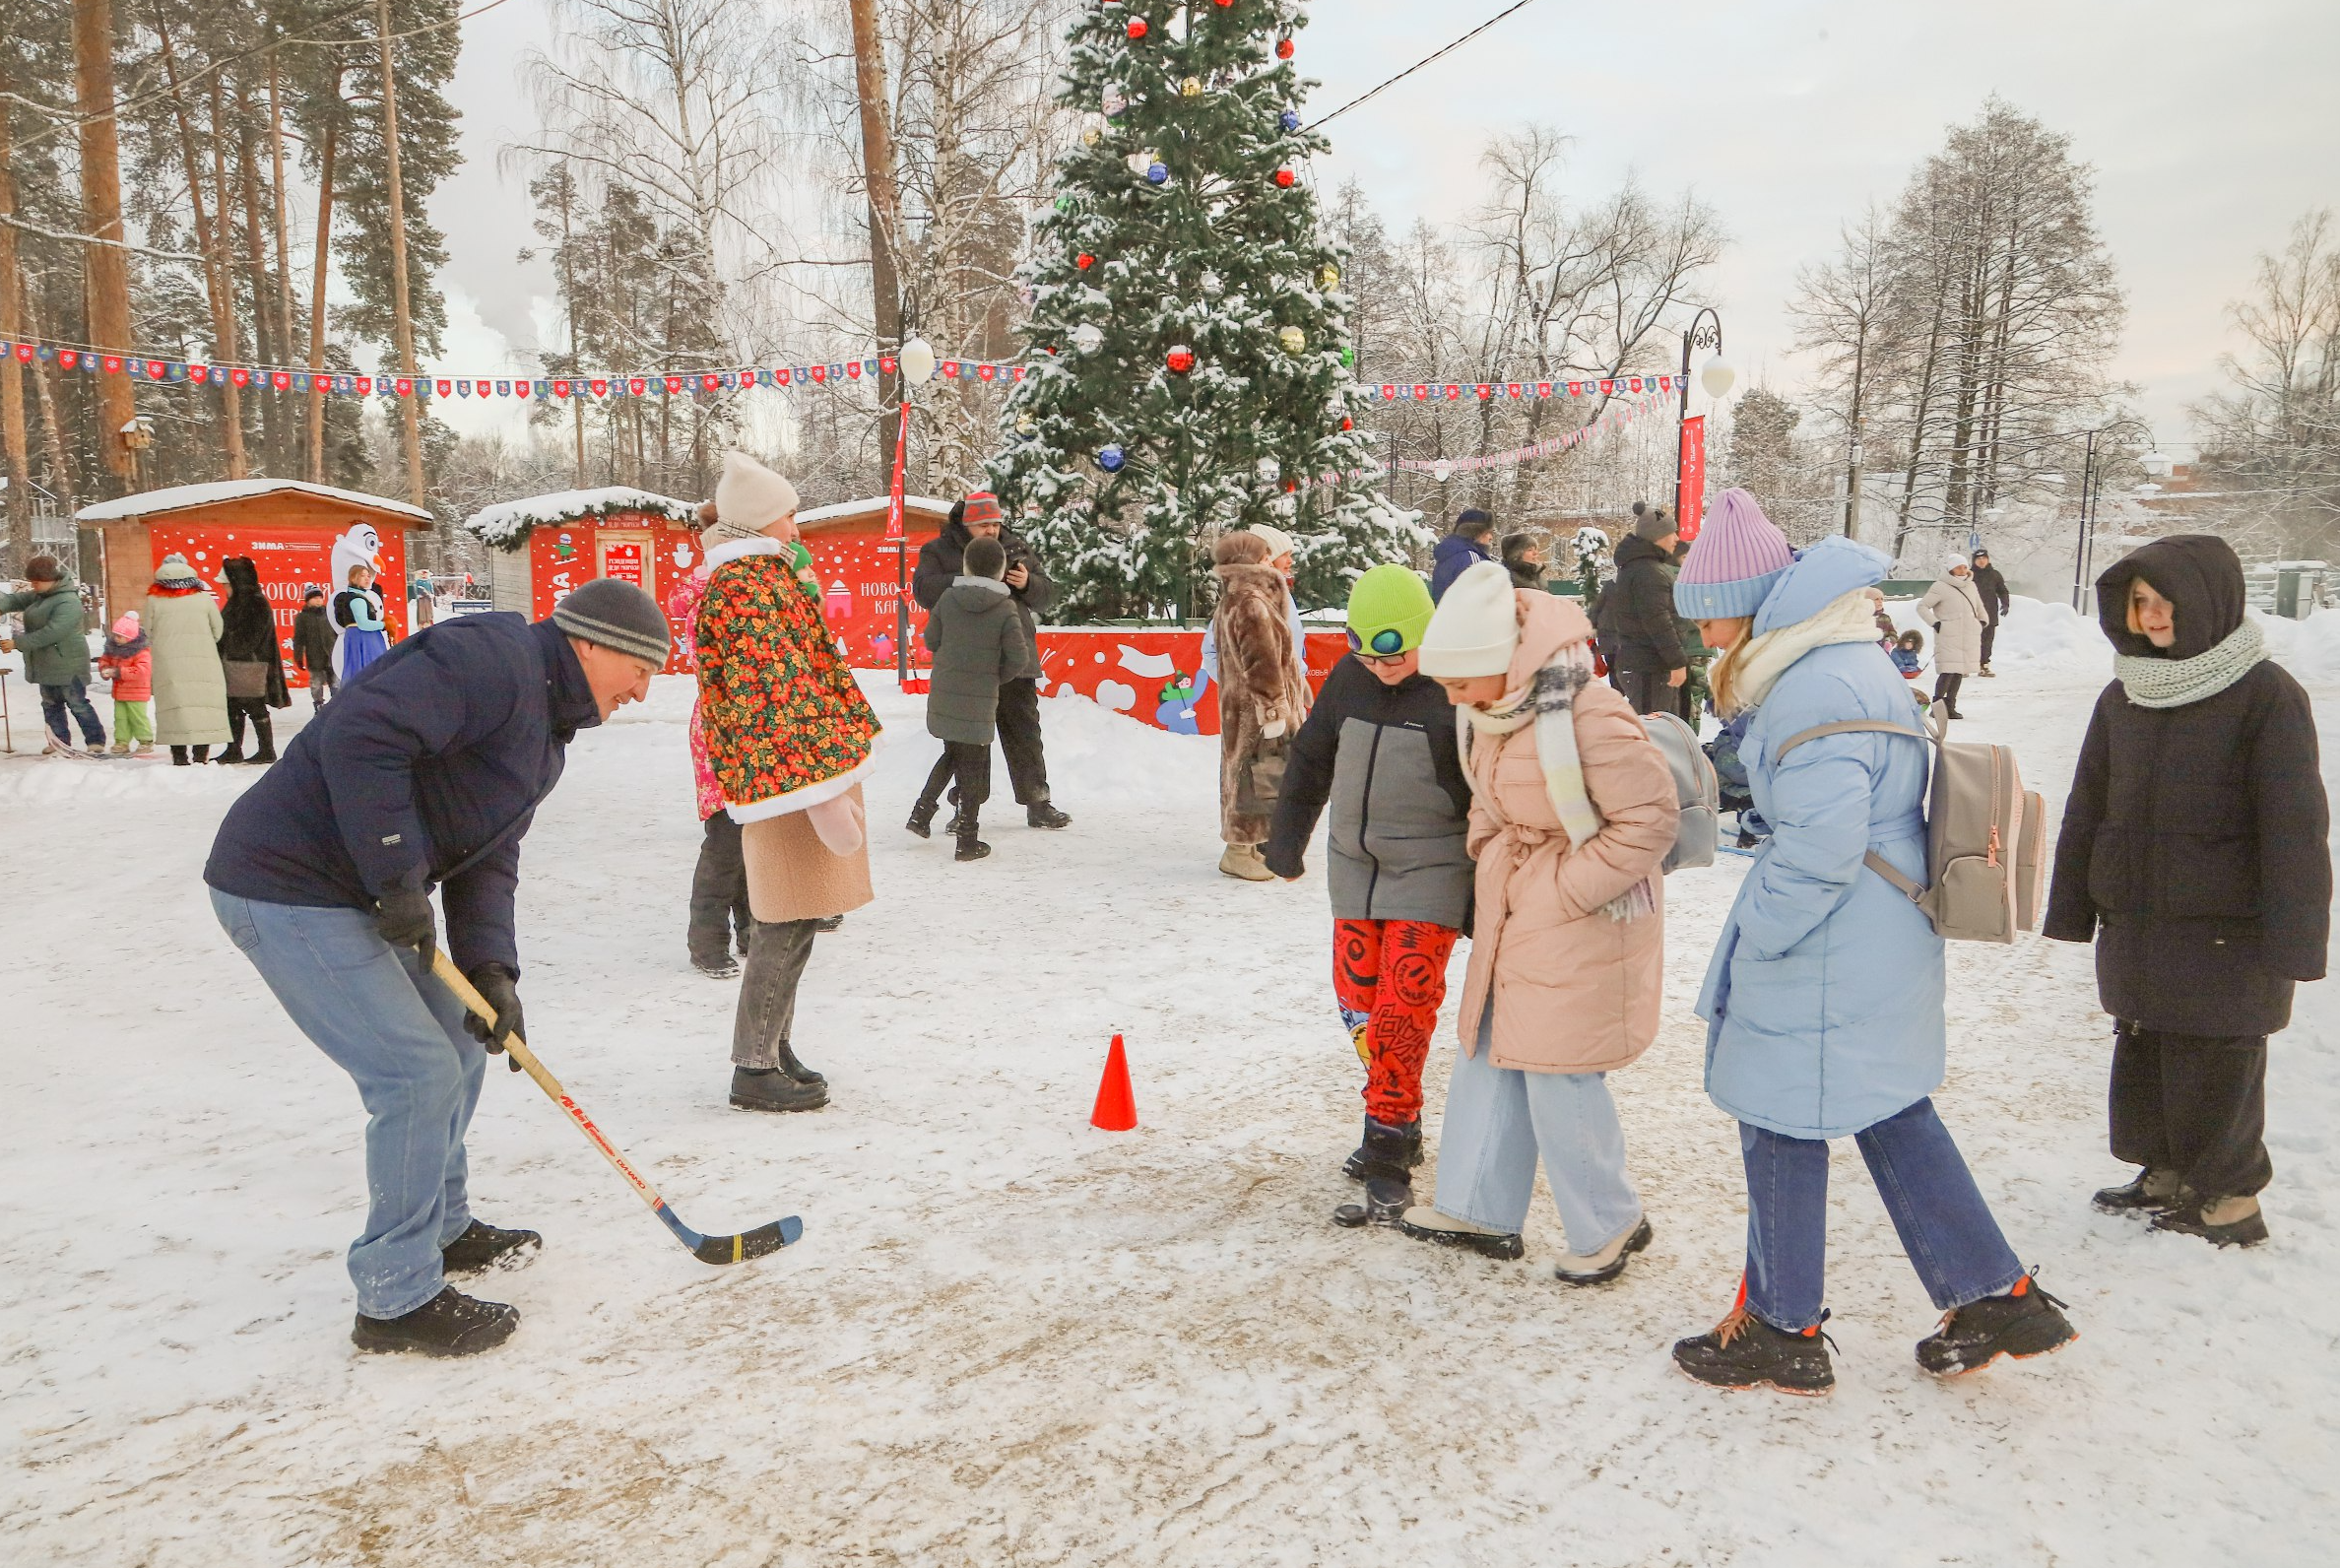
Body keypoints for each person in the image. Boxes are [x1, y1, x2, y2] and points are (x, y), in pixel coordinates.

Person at [1665, 492, 2074, 1396]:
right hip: (1873, 935)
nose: (1702, 638)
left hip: (1829, 946)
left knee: (1779, 1118)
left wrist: (1758, 939)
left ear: (1757, 599)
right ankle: (1996, 1293)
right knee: (1888, 1109)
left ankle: (1782, 1326)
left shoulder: (1815, 680)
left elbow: (1818, 850)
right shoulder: (1837, 659)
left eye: (1710, 616)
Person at [206, 575, 671, 1356]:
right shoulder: (492, 657)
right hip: (284, 885)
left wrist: (493, 968)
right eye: (640, 669)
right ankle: (393, 1296)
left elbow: (488, 856)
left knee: (461, 1037)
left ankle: (443, 1228)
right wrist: (394, 874)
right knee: (414, 1074)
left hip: (359, 890)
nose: (645, 691)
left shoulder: (545, 738)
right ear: (592, 645)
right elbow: (362, 736)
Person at [1393, 560, 1677, 1283]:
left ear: (1504, 664)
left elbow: (1650, 817)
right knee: (1489, 1047)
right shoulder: (1489, 710)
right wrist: (1494, 855)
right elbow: (1488, 801)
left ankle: (1611, 1223)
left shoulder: (1589, 710)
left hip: (1584, 915)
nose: (1449, 696)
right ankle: (1477, 1206)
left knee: (1559, 1072)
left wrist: (1565, 889)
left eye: (1460, 681)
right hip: (1518, 902)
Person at [2046, 535, 2329, 1249]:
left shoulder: (2268, 696)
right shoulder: (2126, 692)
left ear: (2208, 600)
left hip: (2226, 928)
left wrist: (2296, 939)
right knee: (2146, 1042)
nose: (2153, 615)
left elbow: (2296, 829)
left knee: (2218, 1056)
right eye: (2139, 603)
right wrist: (2073, 906)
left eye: (2164, 600)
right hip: (2140, 918)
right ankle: (2167, 1172)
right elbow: (2089, 803)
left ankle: (2230, 1199)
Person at [1264, 564, 1470, 1200]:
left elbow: (1482, 799)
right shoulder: (1350, 680)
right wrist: (1286, 839)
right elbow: (1312, 757)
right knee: (1358, 1001)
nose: (1379, 662)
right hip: (1354, 869)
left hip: (1431, 870)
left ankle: (1384, 1141)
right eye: (1362, 644)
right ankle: (1399, 1111)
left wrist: (1485, 897)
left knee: (1402, 1006)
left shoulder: (1452, 689)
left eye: (1395, 647)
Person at [698, 451, 879, 1114]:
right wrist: (823, 789)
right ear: (757, 522)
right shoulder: (750, 587)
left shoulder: (761, 580)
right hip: (787, 776)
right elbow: (780, 692)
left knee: (799, 916)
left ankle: (775, 1045)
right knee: (782, 917)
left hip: (793, 770)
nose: (797, 529)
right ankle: (754, 1065)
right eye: (788, 515)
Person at [912, 492, 1070, 830]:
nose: (992, 531)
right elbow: (923, 589)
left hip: (1015, 658)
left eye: (996, 524)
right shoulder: (938, 551)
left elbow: (1048, 594)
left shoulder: (1016, 548)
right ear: (966, 523)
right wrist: (969, 581)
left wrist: (1028, 583)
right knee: (969, 741)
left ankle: (1037, 801)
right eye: (984, 524)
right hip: (968, 664)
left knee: (1025, 732)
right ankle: (965, 808)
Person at [910, 535, 1035, 862]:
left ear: (965, 567)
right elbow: (1018, 658)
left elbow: (931, 639)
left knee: (952, 753)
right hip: (981, 698)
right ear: (1000, 572)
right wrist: (996, 677)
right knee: (974, 765)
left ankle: (922, 812)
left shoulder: (948, 599)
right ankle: (967, 839)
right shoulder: (1005, 607)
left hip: (945, 693)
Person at [670, 501, 752, 978]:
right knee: (725, 838)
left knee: (746, 836)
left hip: (739, 726)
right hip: (723, 728)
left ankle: (746, 931)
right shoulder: (714, 594)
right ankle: (707, 940)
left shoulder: (720, 589)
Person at [1211, 531, 1312, 882]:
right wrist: (1272, 709)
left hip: (1246, 706)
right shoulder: (1249, 602)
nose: (1272, 562)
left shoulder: (1241, 598)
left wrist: (1297, 691)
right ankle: (1237, 850)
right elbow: (1262, 662)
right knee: (1252, 775)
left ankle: (1251, 845)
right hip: (1254, 710)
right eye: (1265, 556)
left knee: (1259, 773)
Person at [0, 554, 104, 754]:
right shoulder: (40, 595)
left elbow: (52, 632)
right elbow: (14, 600)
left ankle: (95, 741)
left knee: (78, 704)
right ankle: (58, 741)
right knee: (51, 705)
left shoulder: (68, 602)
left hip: (68, 664)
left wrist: (17, 643)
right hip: (46, 664)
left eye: (37, 582)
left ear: (50, 579)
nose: (33, 586)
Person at [1603, 505, 1689, 719]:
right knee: (1657, 735)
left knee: (1661, 732)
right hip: (1649, 667)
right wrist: (1677, 662)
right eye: (1672, 533)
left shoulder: (1641, 567)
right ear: (1657, 536)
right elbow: (1658, 621)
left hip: (1646, 665)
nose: (1676, 539)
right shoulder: (1648, 573)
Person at [146, 553, 229, 765]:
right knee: (202, 706)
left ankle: (179, 757)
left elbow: (147, 630)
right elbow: (218, 629)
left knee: (175, 706)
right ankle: (201, 757)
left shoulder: (154, 600)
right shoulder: (203, 598)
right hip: (204, 659)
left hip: (168, 662)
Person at [216, 556, 291, 764]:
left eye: (226, 584)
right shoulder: (238, 602)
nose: (224, 588)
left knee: (254, 706)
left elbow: (251, 636)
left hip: (251, 665)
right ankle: (234, 749)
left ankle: (266, 750)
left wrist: (229, 643)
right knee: (233, 706)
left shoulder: (254, 602)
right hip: (238, 665)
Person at [1917, 554, 1986, 717]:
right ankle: (1937, 708)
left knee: (1958, 672)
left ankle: (1950, 707)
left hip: (1968, 635)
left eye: (1964, 566)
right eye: (1958, 566)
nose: (1963, 570)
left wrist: (1982, 622)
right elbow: (1922, 607)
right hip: (1948, 635)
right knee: (1947, 671)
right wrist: (1936, 623)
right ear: (1950, 569)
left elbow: (1979, 606)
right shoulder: (1940, 587)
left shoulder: (1971, 586)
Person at [98, 612, 155, 755]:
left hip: (137, 692)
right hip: (120, 692)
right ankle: (121, 742)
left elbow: (142, 671)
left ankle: (145, 741)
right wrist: (105, 668)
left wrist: (118, 672)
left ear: (130, 637)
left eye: (120, 636)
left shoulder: (141, 652)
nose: (116, 639)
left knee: (137, 718)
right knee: (120, 718)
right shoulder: (113, 649)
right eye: (115, 635)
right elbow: (105, 660)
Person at [334, 563, 390, 679]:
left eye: (368, 576)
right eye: (362, 576)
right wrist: (385, 624)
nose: (367, 579)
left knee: (357, 671)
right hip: (364, 639)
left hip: (356, 638)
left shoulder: (354, 597)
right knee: (369, 671)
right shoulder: (357, 599)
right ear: (353, 578)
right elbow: (363, 624)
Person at [1429, 509, 1495, 602]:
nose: (1490, 537)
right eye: (1487, 532)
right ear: (1475, 532)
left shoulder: (1448, 555)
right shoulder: (1472, 560)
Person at [292, 587, 339, 709]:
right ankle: (318, 705)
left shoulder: (330, 614)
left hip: (332, 655)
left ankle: (337, 706)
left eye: (320, 598)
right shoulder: (302, 617)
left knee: (335, 683)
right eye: (315, 598)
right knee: (316, 683)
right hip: (314, 656)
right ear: (307, 600)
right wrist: (298, 656)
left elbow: (337, 633)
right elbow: (299, 639)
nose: (318, 600)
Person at [1971, 548, 2011, 676]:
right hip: (1973, 614)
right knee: (1971, 640)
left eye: (1984, 558)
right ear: (1974, 561)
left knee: (1987, 641)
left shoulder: (1995, 575)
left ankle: (1984, 665)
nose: (1982, 561)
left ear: (1988, 559)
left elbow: (2002, 591)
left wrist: (2005, 604)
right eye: (1978, 559)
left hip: (1990, 613)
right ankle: (1966, 666)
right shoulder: (1969, 575)